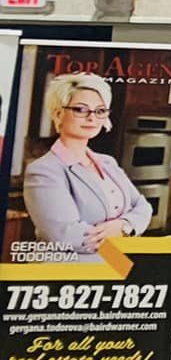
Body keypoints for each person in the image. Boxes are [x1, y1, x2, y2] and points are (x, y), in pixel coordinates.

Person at [21, 72, 152, 257]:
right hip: (70, 269)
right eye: (81, 109)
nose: (92, 118)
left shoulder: (107, 162)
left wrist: (123, 226)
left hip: (114, 263)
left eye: (100, 111)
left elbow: (143, 208)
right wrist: (123, 251)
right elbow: (66, 236)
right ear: (58, 114)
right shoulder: (43, 171)